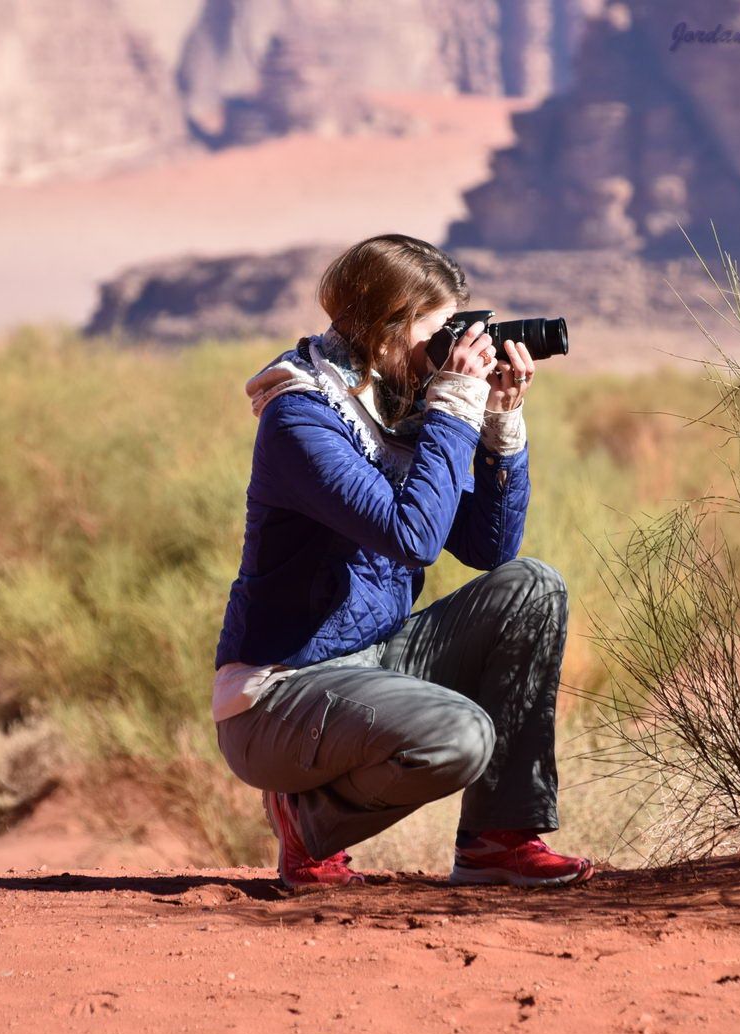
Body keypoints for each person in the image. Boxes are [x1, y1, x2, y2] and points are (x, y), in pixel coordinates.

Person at [211, 233, 593, 890]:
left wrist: (499, 420)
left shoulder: (400, 404)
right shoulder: (302, 417)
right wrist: (452, 407)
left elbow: (487, 549)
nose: (454, 347)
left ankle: (498, 840)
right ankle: (309, 822)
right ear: (385, 327)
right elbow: (411, 535)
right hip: (277, 698)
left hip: (374, 663)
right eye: (439, 330)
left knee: (532, 587)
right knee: (459, 736)